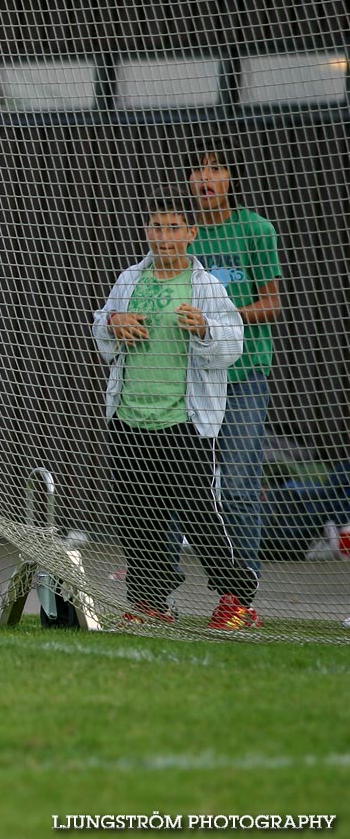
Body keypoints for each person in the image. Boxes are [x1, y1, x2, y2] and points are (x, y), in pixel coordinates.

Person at [93, 187, 261, 629]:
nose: (163, 236)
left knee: (199, 514)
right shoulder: (131, 278)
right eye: (155, 227)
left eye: (173, 228)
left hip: (184, 420)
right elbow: (102, 324)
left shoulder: (205, 285)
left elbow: (232, 344)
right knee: (136, 517)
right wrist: (113, 323)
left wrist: (205, 328)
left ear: (190, 234)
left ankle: (237, 599)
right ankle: (150, 602)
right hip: (130, 416)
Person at [185, 143, 282, 576]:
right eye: (198, 169)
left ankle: (243, 590)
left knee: (240, 484)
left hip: (244, 373)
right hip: (189, 375)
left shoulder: (256, 230)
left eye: (217, 168)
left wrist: (221, 319)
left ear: (232, 178)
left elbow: (272, 303)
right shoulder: (181, 233)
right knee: (178, 482)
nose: (205, 178)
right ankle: (156, 590)